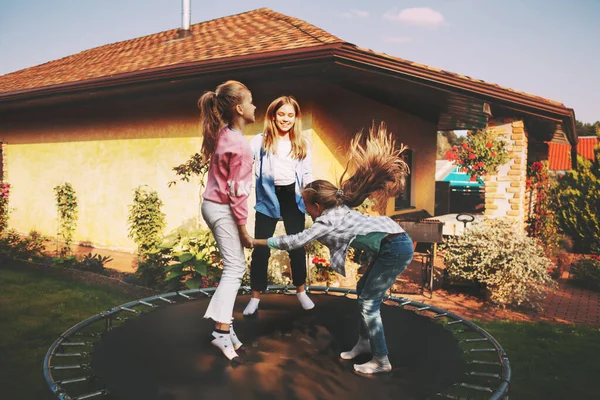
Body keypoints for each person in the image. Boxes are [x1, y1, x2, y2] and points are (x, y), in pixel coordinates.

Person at [253, 123, 414, 374]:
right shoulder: (336, 207)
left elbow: (294, 241)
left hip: (395, 246)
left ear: (317, 205)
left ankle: (382, 360)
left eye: (305, 203)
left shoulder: (326, 221)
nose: (303, 207)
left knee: (369, 303)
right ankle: (363, 344)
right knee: (363, 291)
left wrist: (257, 241)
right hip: (391, 243)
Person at [198, 80, 256, 361]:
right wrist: (244, 230)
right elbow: (238, 192)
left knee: (234, 267)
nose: (255, 106)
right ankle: (221, 333)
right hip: (222, 208)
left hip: (211, 205)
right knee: (235, 268)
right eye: (251, 101)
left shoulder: (225, 133)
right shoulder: (241, 147)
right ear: (240, 108)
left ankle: (226, 328)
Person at [243, 96, 314, 316]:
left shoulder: (302, 143)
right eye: (281, 114)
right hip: (268, 197)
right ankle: (255, 297)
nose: (286, 119)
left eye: (290, 115)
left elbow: (307, 173)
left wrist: (312, 194)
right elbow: (245, 166)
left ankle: (301, 291)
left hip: (293, 196)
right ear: (273, 116)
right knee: (261, 248)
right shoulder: (260, 141)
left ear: (296, 118)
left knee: (296, 246)